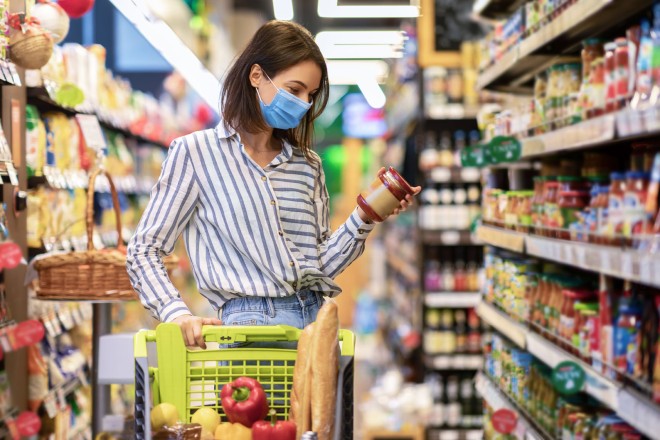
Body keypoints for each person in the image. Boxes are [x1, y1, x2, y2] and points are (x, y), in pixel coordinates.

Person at [126, 20, 420, 348]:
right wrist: (175, 312)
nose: (304, 103)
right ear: (256, 76)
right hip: (245, 332)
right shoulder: (195, 154)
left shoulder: (307, 166)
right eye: (294, 89)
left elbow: (320, 266)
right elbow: (144, 249)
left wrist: (366, 216)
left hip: (314, 328)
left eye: (310, 94)